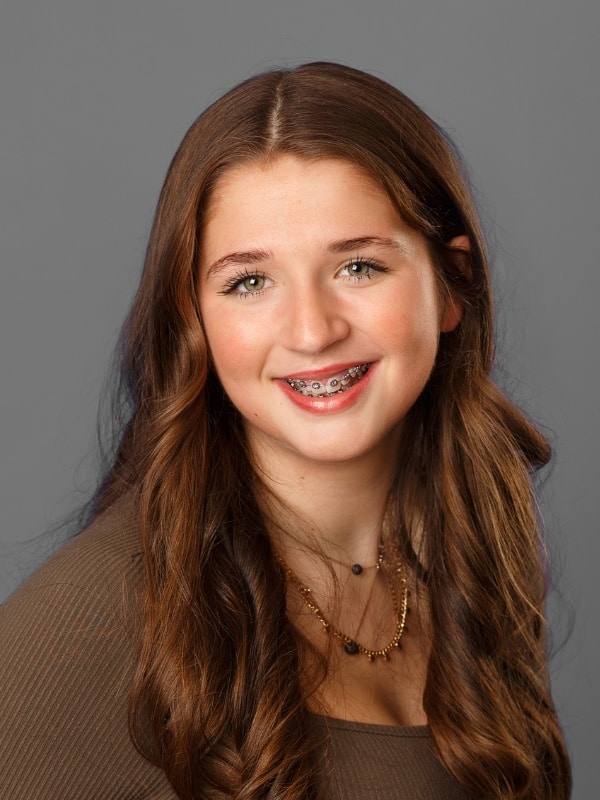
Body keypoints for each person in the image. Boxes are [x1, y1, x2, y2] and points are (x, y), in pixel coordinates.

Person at [0, 62, 571, 800]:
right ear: (194, 319)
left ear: (451, 286)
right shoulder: (91, 621)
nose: (312, 330)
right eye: (249, 282)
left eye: (359, 267)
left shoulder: (479, 535)